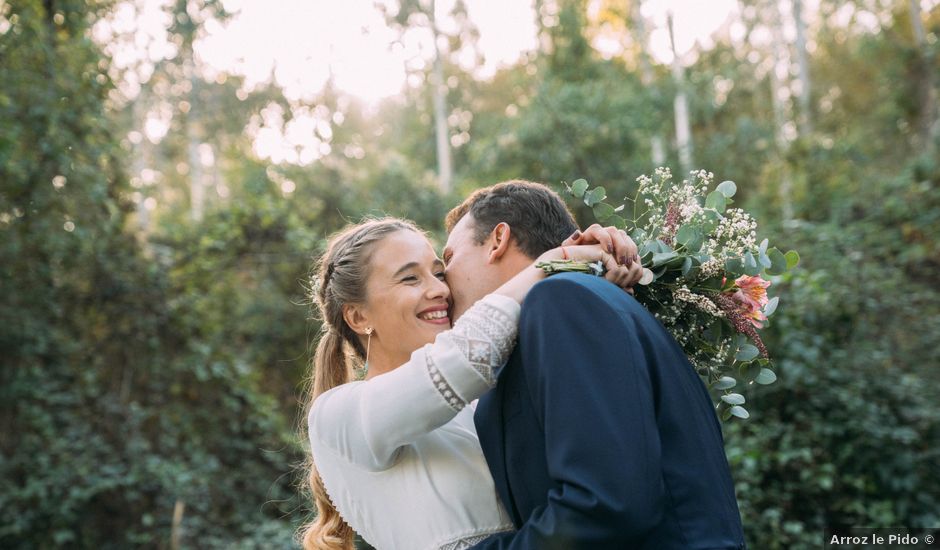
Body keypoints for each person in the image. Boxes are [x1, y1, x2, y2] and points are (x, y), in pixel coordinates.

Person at [301, 216, 641, 550]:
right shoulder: (336, 415)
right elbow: (462, 360)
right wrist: (553, 263)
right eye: (409, 279)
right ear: (358, 317)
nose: (439, 289)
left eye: (438, 273)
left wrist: (596, 264)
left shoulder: (485, 400)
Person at [442, 180, 747, 549]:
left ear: (498, 239)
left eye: (448, 258)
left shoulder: (561, 301)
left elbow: (605, 505)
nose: (442, 281)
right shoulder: (573, 309)